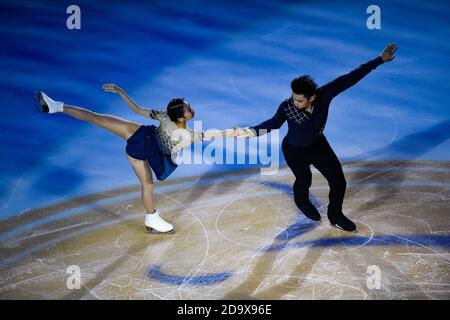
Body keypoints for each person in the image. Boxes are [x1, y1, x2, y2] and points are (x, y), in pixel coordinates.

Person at [233, 43, 398, 232]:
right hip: (294, 151)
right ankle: (301, 200)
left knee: (339, 181)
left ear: (312, 97)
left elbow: (350, 78)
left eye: (299, 100)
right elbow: (273, 123)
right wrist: (250, 132)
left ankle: (335, 215)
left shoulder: (324, 95)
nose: (295, 103)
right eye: (293, 98)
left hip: (319, 146)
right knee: (305, 181)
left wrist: (379, 60)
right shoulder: (287, 107)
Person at [34, 84, 235, 233]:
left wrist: (121, 92)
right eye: (189, 108)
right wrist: (233, 132)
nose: (192, 109)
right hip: (141, 148)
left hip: (136, 134)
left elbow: (136, 110)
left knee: (95, 117)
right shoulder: (186, 135)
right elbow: (211, 135)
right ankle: (151, 218)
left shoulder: (164, 116)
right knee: (147, 185)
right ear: (182, 118)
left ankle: (56, 107)